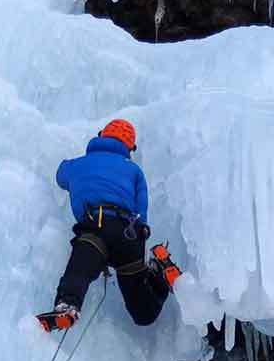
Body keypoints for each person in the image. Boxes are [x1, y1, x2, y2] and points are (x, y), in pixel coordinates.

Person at [40, 119, 180, 332]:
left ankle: (68, 306)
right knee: (143, 313)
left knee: (80, 269)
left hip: (95, 229)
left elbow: (60, 176)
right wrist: (142, 231)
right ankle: (159, 274)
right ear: (129, 148)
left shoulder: (78, 164)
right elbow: (142, 206)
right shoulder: (133, 170)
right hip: (129, 235)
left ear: (101, 136)